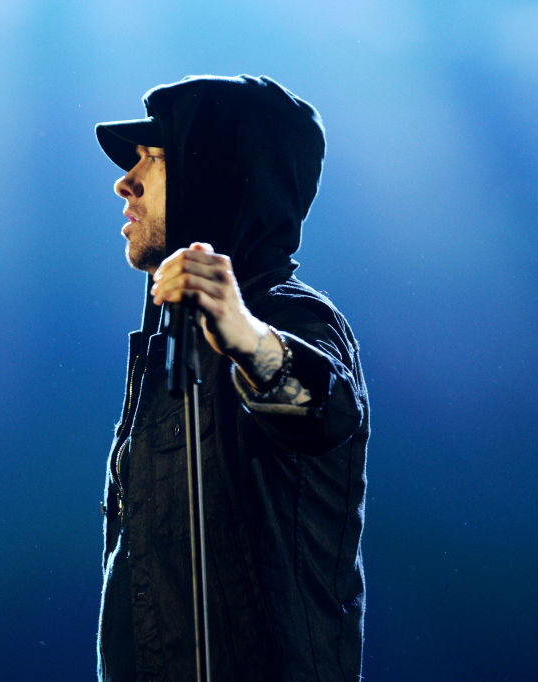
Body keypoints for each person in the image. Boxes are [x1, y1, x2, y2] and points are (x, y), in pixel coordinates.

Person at [93, 75, 370, 681]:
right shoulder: (169, 344)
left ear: (213, 178)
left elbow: (323, 407)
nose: (125, 181)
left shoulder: (292, 318)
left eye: (153, 157)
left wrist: (243, 334)